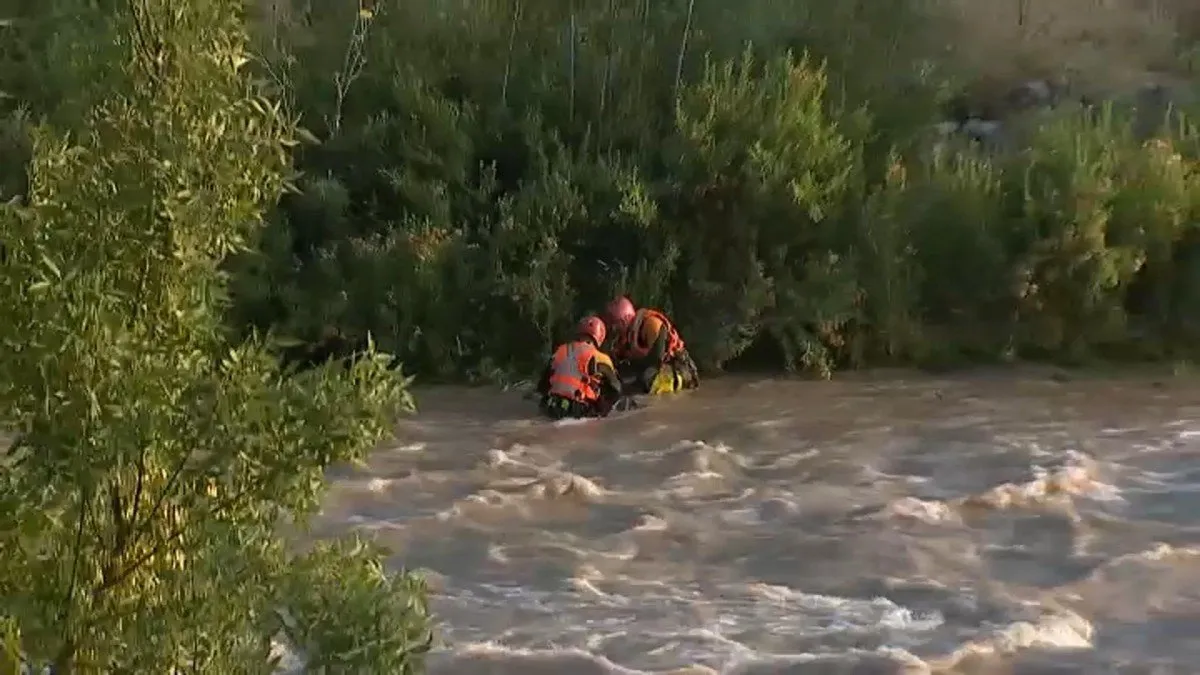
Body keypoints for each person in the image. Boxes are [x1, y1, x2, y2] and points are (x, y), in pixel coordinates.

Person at [605, 296, 699, 394]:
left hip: (678, 368)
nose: (613, 328)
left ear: (625, 319)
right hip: (653, 367)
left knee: (647, 381)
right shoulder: (625, 337)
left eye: (615, 324)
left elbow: (657, 357)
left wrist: (635, 378)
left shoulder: (652, 324)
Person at [536, 316, 624, 419]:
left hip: (552, 405)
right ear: (600, 336)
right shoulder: (600, 357)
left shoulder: (559, 352)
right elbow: (616, 389)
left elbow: (542, 387)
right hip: (578, 409)